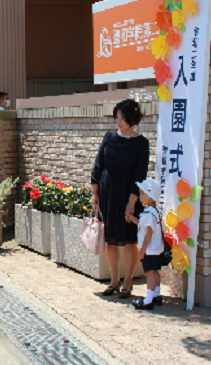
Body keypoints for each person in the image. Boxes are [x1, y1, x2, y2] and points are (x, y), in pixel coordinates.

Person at [91, 99, 149, 299]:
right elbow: (98, 166)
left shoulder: (141, 143)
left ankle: (128, 282)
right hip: (108, 193)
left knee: (130, 239)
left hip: (127, 195)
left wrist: (132, 201)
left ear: (132, 119)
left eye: (122, 118)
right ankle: (114, 281)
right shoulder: (109, 137)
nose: (118, 121)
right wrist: (94, 193)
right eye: (117, 117)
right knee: (111, 239)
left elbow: (139, 175)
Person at [128, 178, 164, 310]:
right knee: (155, 272)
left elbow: (148, 233)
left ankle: (148, 299)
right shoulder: (155, 212)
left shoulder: (149, 213)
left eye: (143, 194)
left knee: (149, 273)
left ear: (150, 197)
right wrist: (133, 220)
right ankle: (156, 294)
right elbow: (145, 227)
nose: (140, 197)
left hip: (149, 250)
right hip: (156, 249)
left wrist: (142, 250)